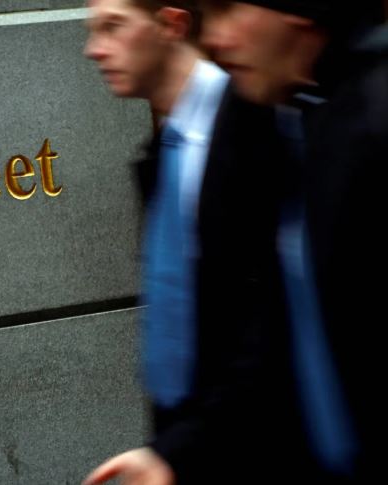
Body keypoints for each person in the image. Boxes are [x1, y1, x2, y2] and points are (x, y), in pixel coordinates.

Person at [82, 1, 285, 483]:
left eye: (113, 26)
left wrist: (178, 450)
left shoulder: (260, 124)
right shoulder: (161, 153)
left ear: (171, 25)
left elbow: (272, 323)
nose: (94, 49)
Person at [200, 1, 385, 482]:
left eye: (227, 9)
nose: (214, 38)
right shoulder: (277, 115)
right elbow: (273, 320)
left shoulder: (373, 115)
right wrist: (175, 453)